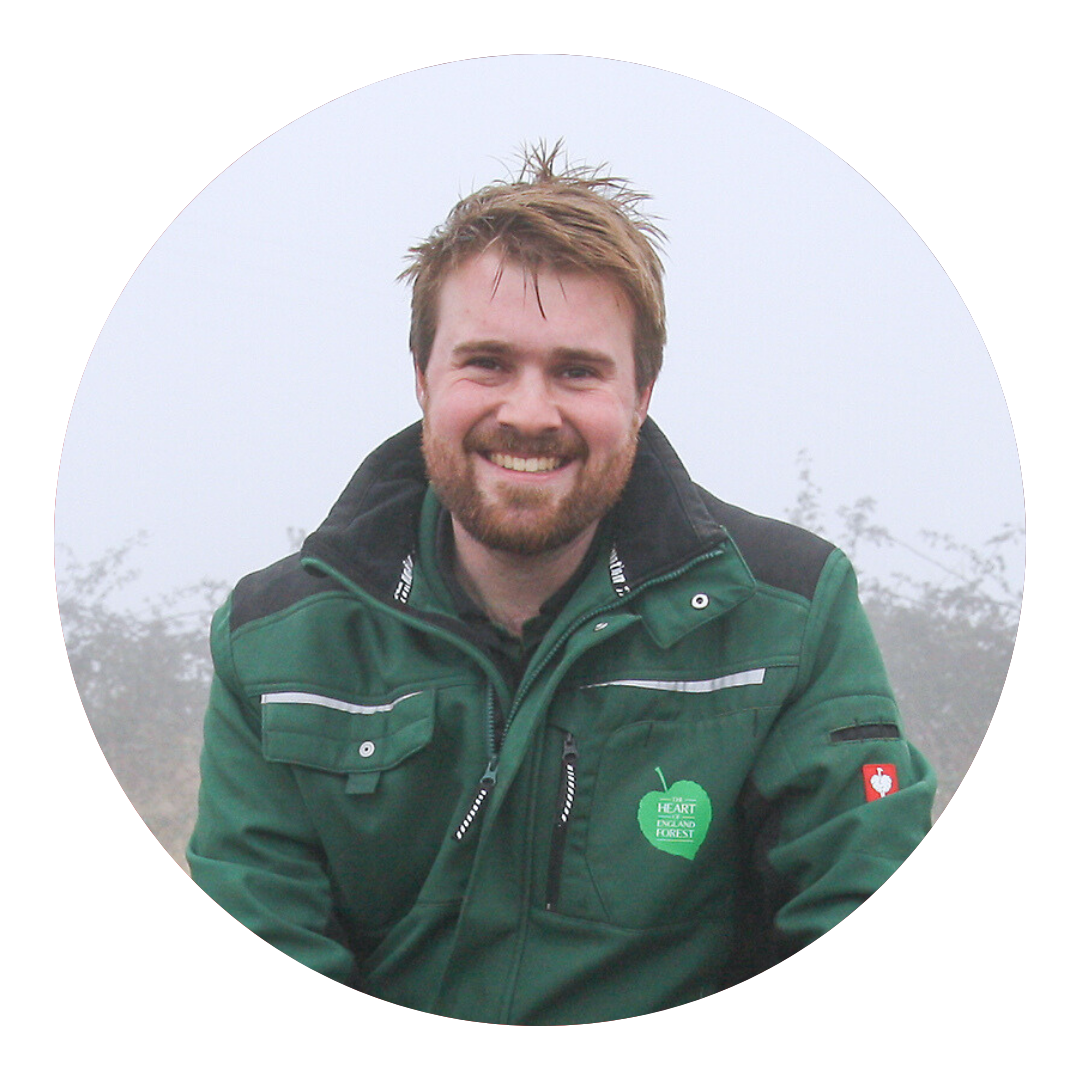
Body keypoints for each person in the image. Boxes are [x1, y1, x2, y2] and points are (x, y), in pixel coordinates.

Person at [187, 144, 935, 1025]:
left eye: (578, 370)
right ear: (423, 379)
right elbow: (259, 976)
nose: (531, 413)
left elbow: (868, 929)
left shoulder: (791, 611)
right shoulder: (277, 642)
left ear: (643, 392)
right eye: (487, 363)